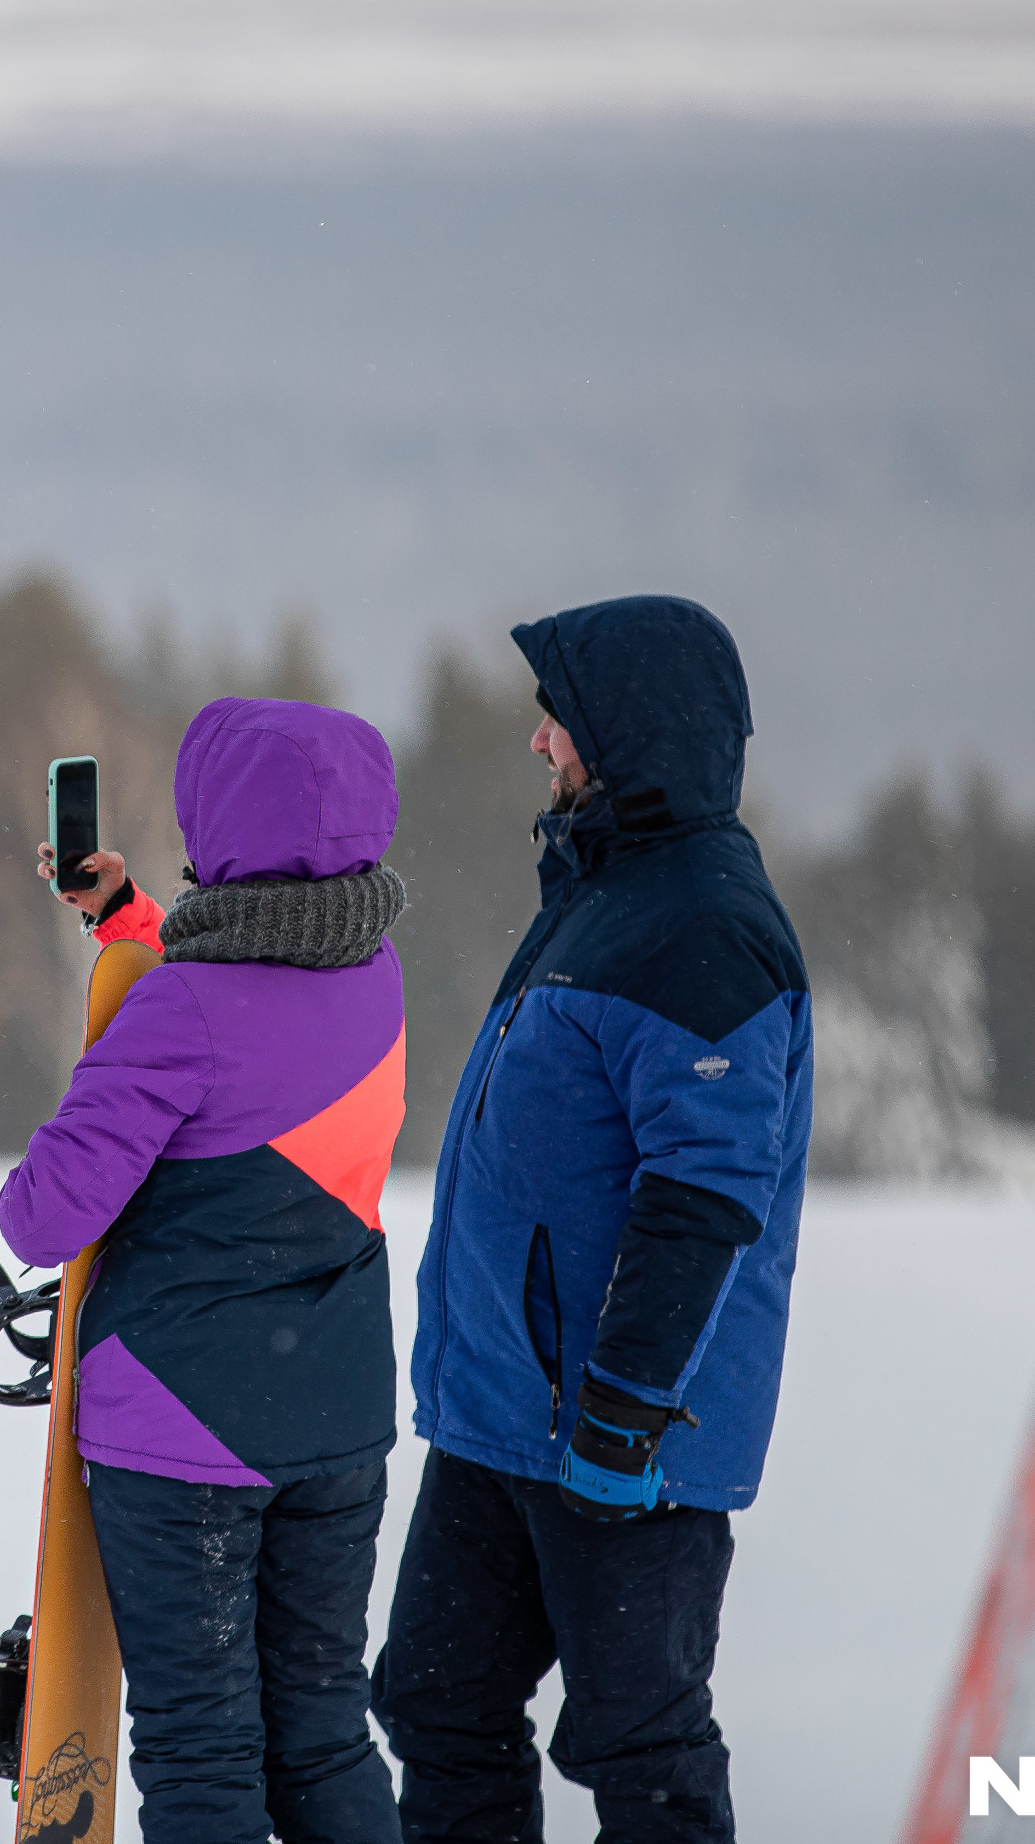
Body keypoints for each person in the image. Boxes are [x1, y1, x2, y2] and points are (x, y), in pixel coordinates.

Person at [378, 595, 811, 1843]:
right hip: (505, 1415)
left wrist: (623, 1413)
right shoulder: (605, 885)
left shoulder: (705, 927)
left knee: (640, 1743)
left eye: (555, 716)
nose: (538, 742)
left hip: (621, 1434)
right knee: (438, 1699)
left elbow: (708, 1187)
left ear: (623, 730)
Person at [3, 696, 413, 1844]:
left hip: (186, 1436)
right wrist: (129, 917)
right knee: (324, 1733)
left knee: (201, 1749)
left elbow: (44, 1213)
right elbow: (261, 998)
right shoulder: (373, 970)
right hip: (336, 1424)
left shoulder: (180, 1008)